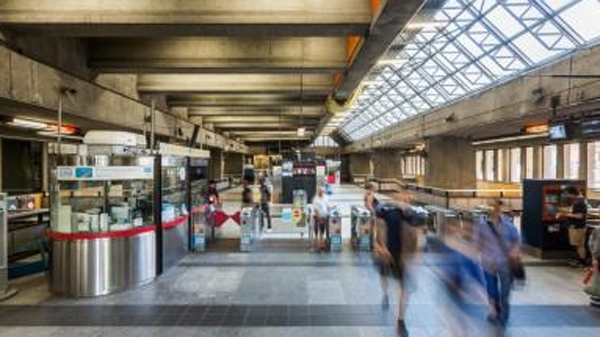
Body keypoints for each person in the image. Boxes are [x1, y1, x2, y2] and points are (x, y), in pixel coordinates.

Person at [373, 202, 418, 337]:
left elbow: (414, 239)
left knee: (404, 288)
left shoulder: (407, 217)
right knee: (384, 276)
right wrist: (381, 249)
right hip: (388, 253)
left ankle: (401, 320)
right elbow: (377, 238)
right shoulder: (385, 215)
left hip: (400, 255)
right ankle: (386, 294)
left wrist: (409, 258)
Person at [474, 199, 521, 327]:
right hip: (488, 262)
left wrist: (514, 251)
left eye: (496, 207)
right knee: (492, 289)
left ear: (500, 209)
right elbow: (477, 242)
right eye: (492, 207)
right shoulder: (482, 224)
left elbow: (517, 240)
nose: (494, 210)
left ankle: (504, 313)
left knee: (505, 292)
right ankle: (494, 310)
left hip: (505, 263)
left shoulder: (508, 224)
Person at [560, 186, 588, 266]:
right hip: (577, 226)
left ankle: (582, 262)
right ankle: (579, 260)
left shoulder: (579, 202)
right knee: (578, 244)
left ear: (572, 193)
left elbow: (579, 216)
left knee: (579, 245)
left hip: (578, 226)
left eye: (568, 194)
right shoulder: (579, 201)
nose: (567, 196)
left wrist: (565, 214)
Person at [312, 186, 330, 252]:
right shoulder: (316, 199)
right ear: (318, 192)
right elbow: (315, 210)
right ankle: (319, 244)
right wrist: (319, 218)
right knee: (319, 230)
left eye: (322, 191)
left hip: (325, 216)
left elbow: (327, 206)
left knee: (324, 230)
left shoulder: (326, 197)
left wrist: (329, 212)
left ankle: (323, 243)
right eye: (320, 191)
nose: (321, 193)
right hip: (318, 217)